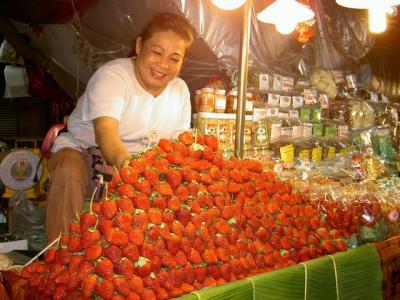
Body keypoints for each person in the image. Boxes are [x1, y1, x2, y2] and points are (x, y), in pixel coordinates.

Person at [45, 12, 194, 242]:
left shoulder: (180, 90)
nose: (163, 65)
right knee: (68, 169)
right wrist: (132, 170)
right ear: (138, 45)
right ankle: (59, 255)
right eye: (156, 52)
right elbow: (106, 133)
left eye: (174, 59)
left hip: (143, 166)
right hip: (86, 152)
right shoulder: (114, 76)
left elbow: (178, 149)